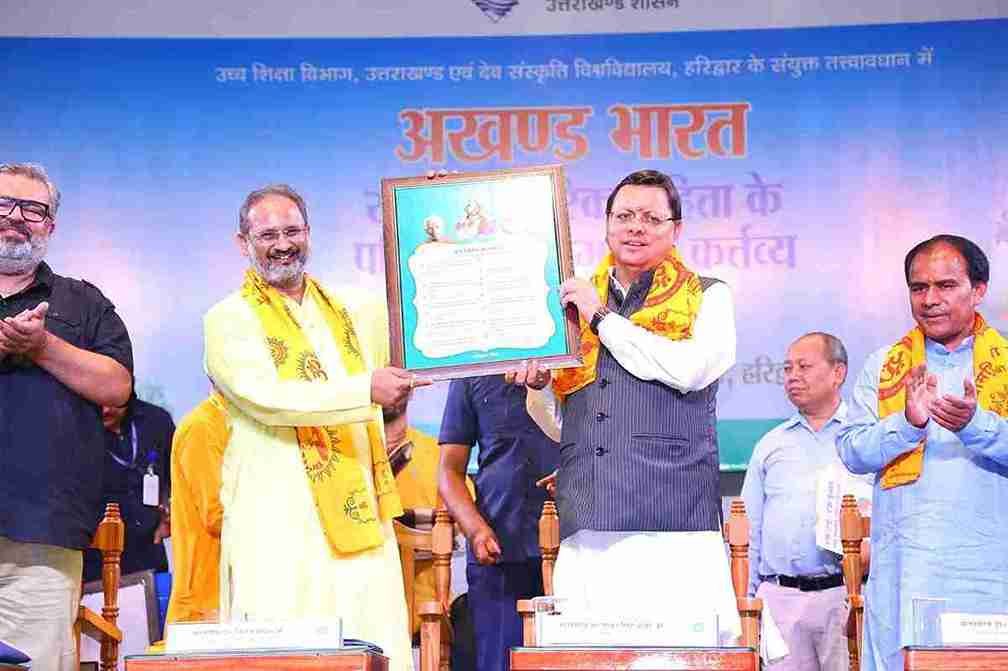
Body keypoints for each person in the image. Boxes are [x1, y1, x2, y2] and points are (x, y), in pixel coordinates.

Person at [203, 183, 424, 671]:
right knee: (287, 648)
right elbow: (270, 399)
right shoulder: (228, 319)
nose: (283, 244)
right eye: (268, 235)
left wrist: (432, 214)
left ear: (309, 233)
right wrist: (365, 390)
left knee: (369, 635)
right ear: (243, 243)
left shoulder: (356, 311)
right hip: (277, 515)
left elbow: (417, 318)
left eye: (292, 231)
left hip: (357, 507)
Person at [519, 169, 740, 640]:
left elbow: (690, 369)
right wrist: (539, 386)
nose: (635, 227)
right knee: (587, 656)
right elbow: (563, 425)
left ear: (676, 230)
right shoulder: (570, 304)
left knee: (678, 655)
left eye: (651, 218)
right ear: (606, 225)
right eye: (624, 216)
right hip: (587, 513)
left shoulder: (708, 295)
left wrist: (600, 317)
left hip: (671, 518)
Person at [838, 234, 1008, 671]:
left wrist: (977, 426)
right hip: (907, 574)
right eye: (919, 288)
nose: (930, 300)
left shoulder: (1005, 361)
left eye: (946, 286)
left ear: (979, 290)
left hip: (991, 574)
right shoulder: (885, 365)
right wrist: (907, 424)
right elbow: (852, 450)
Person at [0, 162, 133, 671]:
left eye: (32, 209)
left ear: (50, 225)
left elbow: (116, 385)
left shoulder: (83, 302)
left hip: (42, 536)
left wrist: (41, 346)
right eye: (4, 204)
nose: (16, 217)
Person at [741, 332, 861, 671]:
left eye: (804, 367)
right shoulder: (771, 445)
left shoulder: (863, 440)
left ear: (838, 373)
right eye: (787, 368)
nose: (793, 376)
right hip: (780, 599)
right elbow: (749, 531)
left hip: (844, 595)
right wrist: (746, 604)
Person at [438, 375, 559, 671]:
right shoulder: (474, 369)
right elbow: (449, 471)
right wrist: (475, 529)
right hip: (498, 552)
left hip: (577, 549)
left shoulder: (576, 363)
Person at [83, 396, 174, 582]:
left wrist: (171, 511)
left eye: (112, 402)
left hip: (150, 553)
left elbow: (178, 479)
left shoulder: (157, 421)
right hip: (96, 561)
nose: (105, 410)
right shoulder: (78, 429)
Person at [165, 391, 231, 624]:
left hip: (232, 599)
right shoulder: (203, 427)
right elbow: (218, 515)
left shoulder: (243, 427)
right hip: (205, 608)